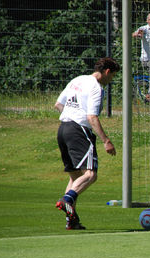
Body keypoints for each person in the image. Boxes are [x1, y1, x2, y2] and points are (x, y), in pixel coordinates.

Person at [54, 57, 120, 230]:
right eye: (112, 76)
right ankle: (66, 199)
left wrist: (71, 116)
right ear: (107, 72)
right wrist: (106, 141)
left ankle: (72, 220)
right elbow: (91, 117)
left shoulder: (77, 80)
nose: (110, 80)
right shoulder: (96, 88)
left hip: (63, 129)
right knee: (90, 174)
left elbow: (58, 104)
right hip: (79, 131)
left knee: (76, 177)